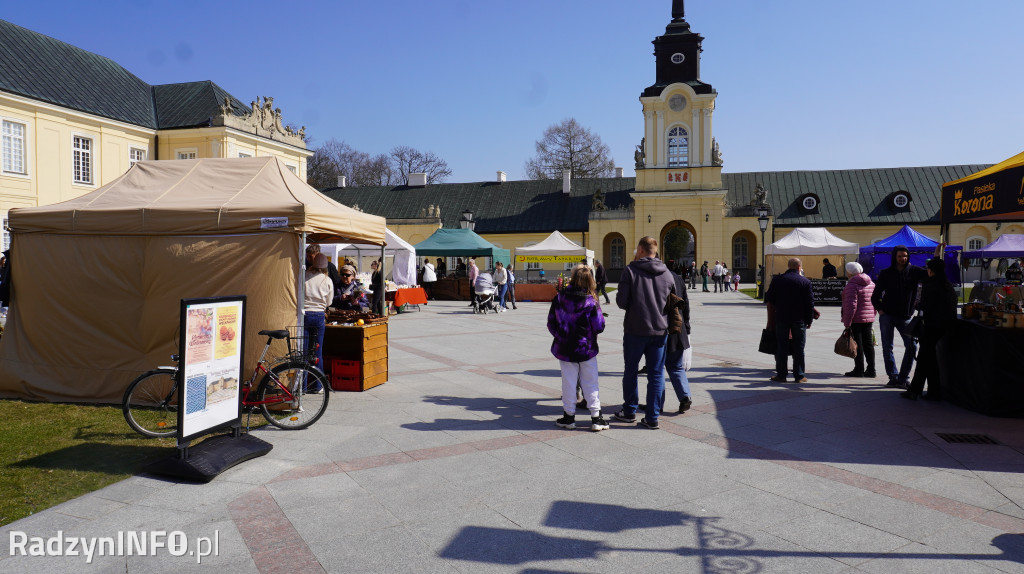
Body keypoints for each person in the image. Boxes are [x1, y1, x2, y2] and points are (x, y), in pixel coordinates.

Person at [614, 236, 674, 429]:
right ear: (655, 251)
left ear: (640, 249)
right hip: (660, 329)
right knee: (656, 374)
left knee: (631, 370)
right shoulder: (667, 274)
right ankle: (652, 417)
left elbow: (622, 302)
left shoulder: (630, 271)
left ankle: (630, 410)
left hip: (635, 328)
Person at [548, 265, 610, 432]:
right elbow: (599, 326)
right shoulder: (591, 300)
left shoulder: (560, 297)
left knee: (568, 382)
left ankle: (569, 416)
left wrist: (560, 335)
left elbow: (551, 322)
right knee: (590, 381)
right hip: (586, 347)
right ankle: (596, 417)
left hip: (565, 346)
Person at [871, 245, 927, 389]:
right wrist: (880, 310)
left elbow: (931, 274)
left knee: (912, 346)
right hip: (887, 316)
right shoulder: (886, 273)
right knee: (887, 347)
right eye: (900, 256)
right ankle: (893, 377)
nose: (903, 259)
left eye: (905, 256)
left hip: (905, 317)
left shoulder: (914, 271)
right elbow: (875, 296)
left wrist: (938, 254)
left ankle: (903, 377)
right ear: (894, 257)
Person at [902, 257, 957, 401]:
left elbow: (925, 306)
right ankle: (934, 391)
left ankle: (915, 390)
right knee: (930, 359)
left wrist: (917, 305)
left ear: (931, 270)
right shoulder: (947, 284)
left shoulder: (931, 284)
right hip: (943, 326)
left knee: (924, 358)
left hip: (931, 326)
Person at [764, 258, 815, 383]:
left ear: (788, 266)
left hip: (782, 317)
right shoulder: (805, 281)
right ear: (799, 267)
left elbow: (770, 298)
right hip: (799, 319)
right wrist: (809, 320)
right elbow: (809, 303)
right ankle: (799, 375)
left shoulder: (778, 280)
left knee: (782, 347)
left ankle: (781, 375)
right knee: (799, 347)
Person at [840, 261, 877, 378]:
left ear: (850, 272)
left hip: (856, 319)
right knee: (868, 344)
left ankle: (859, 369)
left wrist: (847, 322)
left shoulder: (851, 285)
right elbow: (875, 301)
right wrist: (873, 315)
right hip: (868, 318)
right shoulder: (871, 283)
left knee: (857, 344)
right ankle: (871, 369)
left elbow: (851, 305)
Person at [303, 253, 333, 388]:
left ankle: (302, 387)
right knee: (317, 352)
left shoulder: (305, 277)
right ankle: (318, 386)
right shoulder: (327, 280)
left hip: (305, 315)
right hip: (319, 315)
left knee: (302, 353)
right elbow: (329, 302)